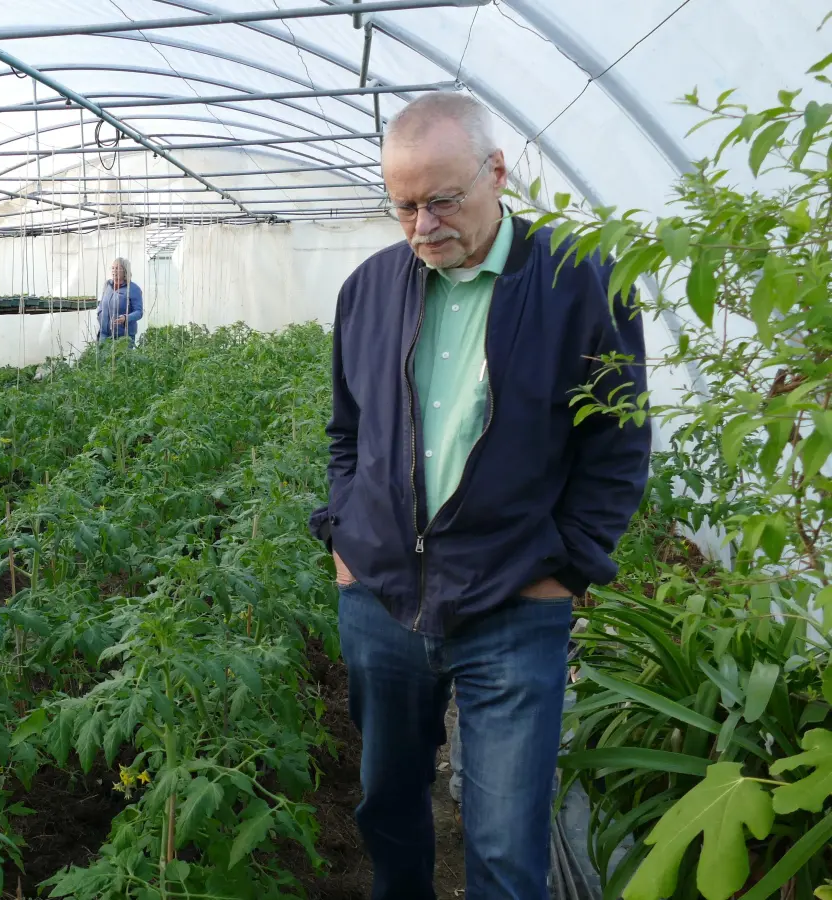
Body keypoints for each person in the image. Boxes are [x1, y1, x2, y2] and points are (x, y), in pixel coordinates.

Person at [307, 92, 650, 900]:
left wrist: (564, 567)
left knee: (504, 840)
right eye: (403, 208)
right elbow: (345, 433)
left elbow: (620, 441)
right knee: (388, 807)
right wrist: (343, 538)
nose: (423, 226)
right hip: (383, 601)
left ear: (497, 173)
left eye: (442, 201)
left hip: (515, 603)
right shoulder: (368, 291)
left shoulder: (580, 283)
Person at [96, 257, 143, 345]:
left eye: (117, 268)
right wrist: (99, 314)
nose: (114, 271)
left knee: (121, 358)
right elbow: (102, 303)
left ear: (125, 271)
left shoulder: (133, 289)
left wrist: (126, 318)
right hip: (104, 333)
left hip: (124, 336)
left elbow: (139, 312)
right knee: (103, 357)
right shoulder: (108, 285)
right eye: (113, 268)